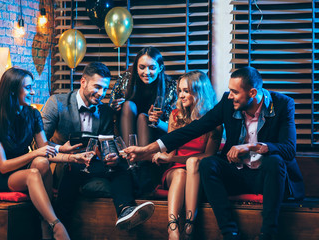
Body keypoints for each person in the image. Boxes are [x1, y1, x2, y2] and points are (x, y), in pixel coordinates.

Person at [125, 66, 305, 240]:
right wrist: (146, 150)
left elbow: (289, 149)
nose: (230, 96)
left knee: (275, 161)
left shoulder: (282, 104)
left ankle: (268, 234)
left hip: (266, 178)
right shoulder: (228, 102)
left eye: (235, 92)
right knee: (208, 164)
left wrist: (250, 147)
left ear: (252, 93)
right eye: (230, 90)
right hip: (238, 174)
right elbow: (193, 129)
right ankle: (230, 233)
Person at [41, 62, 155, 233]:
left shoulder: (105, 112)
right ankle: (59, 228)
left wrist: (112, 156)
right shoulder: (57, 103)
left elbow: (107, 144)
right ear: (83, 82)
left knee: (122, 165)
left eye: (104, 89)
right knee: (74, 167)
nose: (101, 93)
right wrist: (61, 150)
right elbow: (40, 144)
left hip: (93, 164)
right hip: (65, 164)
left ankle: (125, 210)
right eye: (97, 87)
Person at [0, 67, 91, 240]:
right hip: (2, 177)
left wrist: (71, 157)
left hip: (25, 170)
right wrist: (34, 154)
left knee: (41, 162)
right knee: (34, 171)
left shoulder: (33, 114)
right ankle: (54, 224)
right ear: (12, 90)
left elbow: (45, 151)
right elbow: (2, 166)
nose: (32, 92)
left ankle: (46, 221)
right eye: (28, 88)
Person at [150, 71, 222, 240]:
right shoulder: (176, 115)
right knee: (181, 172)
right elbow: (170, 151)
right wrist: (162, 155)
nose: (181, 95)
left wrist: (171, 158)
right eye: (180, 91)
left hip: (197, 173)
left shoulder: (215, 121)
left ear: (199, 92)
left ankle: (189, 228)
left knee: (192, 164)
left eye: (186, 91)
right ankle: (173, 230)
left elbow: (209, 155)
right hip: (175, 172)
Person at [109, 46, 177, 146]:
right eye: (142, 67)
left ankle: (141, 158)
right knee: (128, 105)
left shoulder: (169, 86)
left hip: (155, 134)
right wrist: (115, 107)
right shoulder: (126, 79)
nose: (146, 72)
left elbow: (173, 128)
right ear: (136, 67)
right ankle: (130, 155)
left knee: (142, 117)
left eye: (152, 68)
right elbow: (109, 110)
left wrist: (157, 121)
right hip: (126, 130)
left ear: (160, 68)